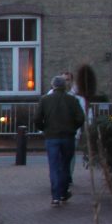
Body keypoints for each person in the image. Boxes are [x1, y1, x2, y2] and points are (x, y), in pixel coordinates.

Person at [34, 74, 85, 204]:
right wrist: (73, 127)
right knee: (65, 165)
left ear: (53, 86)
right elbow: (81, 118)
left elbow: (37, 118)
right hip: (68, 137)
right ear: (64, 86)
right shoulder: (72, 100)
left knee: (54, 166)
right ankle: (63, 192)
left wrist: (44, 128)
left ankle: (56, 196)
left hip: (51, 137)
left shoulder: (45, 100)